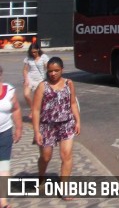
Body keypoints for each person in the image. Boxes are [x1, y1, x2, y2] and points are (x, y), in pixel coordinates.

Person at [32, 57, 80, 198]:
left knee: (66, 155)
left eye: (56, 70)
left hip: (66, 124)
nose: (53, 73)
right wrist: (36, 132)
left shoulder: (69, 83)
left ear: (62, 70)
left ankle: (64, 188)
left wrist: (78, 121)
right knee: (46, 157)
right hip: (47, 126)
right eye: (50, 71)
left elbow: (72, 104)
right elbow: (35, 110)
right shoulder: (42, 86)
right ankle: (41, 176)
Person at [0, 65, 23, 208]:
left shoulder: (9, 90)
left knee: (3, 166)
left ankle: (2, 200)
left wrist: (19, 128)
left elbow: (16, 109)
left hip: (5, 133)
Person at [22, 40, 50, 119]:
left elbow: (48, 67)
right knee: (26, 94)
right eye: (32, 52)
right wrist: (26, 79)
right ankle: (32, 109)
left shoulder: (43, 57)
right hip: (30, 78)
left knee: (39, 98)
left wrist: (48, 79)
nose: (33, 54)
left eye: (34, 52)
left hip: (40, 79)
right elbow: (25, 70)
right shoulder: (28, 58)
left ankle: (40, 113)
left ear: (38, 50)